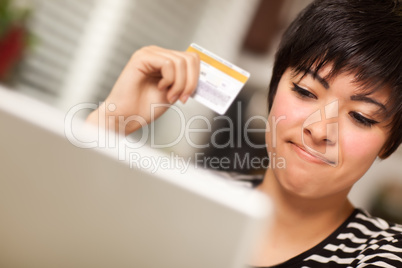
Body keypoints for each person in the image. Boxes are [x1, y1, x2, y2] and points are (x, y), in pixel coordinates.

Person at [86, 0, 402, 267]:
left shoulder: (384, 256)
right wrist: (111, 123)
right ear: (274, 91)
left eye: (361, 117)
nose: (319, 129)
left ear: (389, 143)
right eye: (305, 92)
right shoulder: (190, 198)